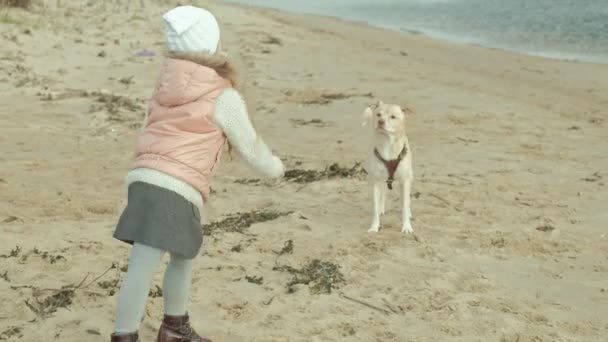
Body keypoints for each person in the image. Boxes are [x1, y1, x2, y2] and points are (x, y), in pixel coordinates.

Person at [110, 5, 285, 342]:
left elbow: (150, 128)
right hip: (175, 185)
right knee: (147, 264)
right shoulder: (222, 95)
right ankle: (126, 335)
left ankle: (174, 327)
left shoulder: (166, 84)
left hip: (144, 177)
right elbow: (249, 145)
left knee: (180, 254)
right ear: (211, 44)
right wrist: (275, 167)